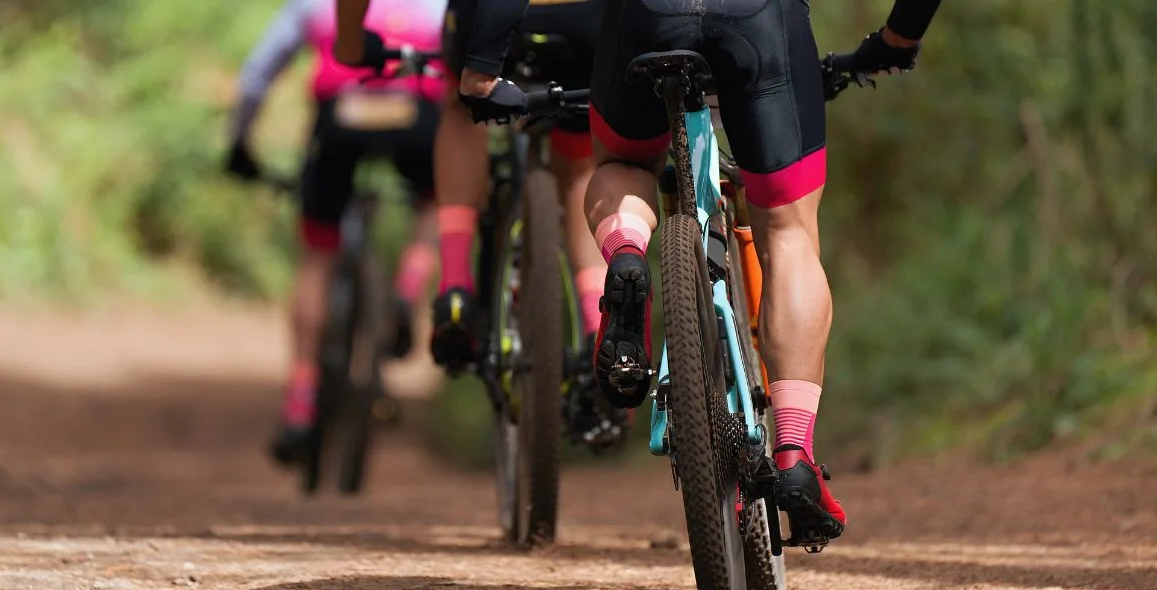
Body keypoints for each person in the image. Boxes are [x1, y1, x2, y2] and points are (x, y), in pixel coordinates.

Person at [445, 0, 945, 543]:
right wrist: (899, 37)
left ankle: (629, 251)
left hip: (646, 19)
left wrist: (481, 69)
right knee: (787, 231)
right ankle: (794, 451)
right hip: (760, 21)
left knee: (623, 165)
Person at [335, 0, 627, 446]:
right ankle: (596, 324)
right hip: (585, 20)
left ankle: (454, 287)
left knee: (459, 109)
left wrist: (352, 44)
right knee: (579, 163)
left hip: (487, 23)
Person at [225, 0, 447, 464]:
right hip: (416, 111)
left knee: (318, 257)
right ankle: (408, 288)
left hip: (340, 115)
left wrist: (240, 144)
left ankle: (301, 405)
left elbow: (257, 76)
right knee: (435, 202)